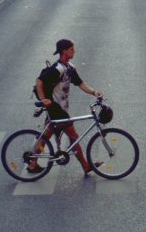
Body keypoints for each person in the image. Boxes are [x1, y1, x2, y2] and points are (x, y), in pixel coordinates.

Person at [29, 39, 104, 176]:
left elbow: (81, 84)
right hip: (56, 109)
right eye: (71, 49)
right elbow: (39, 81)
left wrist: (94, 92)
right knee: (74, 136)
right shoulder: (57, 69)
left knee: (46, 135)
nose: (74, 51)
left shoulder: (69, 68)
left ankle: (32, 163)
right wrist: (43, 99)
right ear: (64, 51)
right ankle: (86, 166)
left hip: (60, 109)